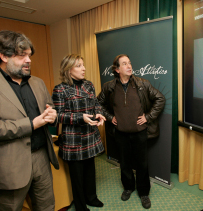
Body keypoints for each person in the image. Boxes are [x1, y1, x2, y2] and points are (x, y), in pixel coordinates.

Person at [0, 30, 59, 211]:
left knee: (47, 207)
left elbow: (50, 108)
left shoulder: (37, 82)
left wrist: (53, 115)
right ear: (3, 56)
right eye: (22, 55)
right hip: (9, 164)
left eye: (29, 55)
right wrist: (31, 125)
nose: (29, 60)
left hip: (41, 158)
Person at [97, 54, 165, 209]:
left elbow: (160, 99)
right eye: (124, 64)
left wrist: (148, 117)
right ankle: (128, 187)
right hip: (120, 132)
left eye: (130, 63)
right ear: (117, 69)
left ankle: (144, 192)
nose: (129, 66)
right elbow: (98, 103)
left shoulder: (143, 84)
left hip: (140, 132)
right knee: (125, 163)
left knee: (142, 164)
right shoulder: (109, 86)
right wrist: (109, 117)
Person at [52, 54, 106, 211]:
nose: (84, 68)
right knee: (77, 176)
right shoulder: (60, 89)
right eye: (79, 66)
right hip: (73, 139)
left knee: (90, 170)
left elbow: (96, 103)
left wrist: (99, 113)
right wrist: (79, 117)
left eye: (83, 65)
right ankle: (81, 207)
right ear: (68, 70)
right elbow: (58, 115)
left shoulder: (88, 85)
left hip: (90, 134)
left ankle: (92, 197)